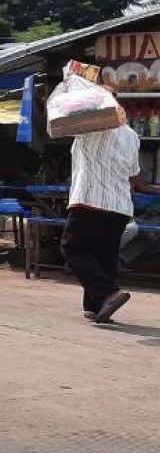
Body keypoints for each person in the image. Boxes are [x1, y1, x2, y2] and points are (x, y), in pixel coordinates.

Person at [63, 114, 160, 323]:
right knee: (103, 255)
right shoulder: (130, 134)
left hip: (90, 199)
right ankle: (96, 306)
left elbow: (58, 129)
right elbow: (134, 175)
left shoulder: (86, 128)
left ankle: (109, 293)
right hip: (120, 204)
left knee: (72, 248)